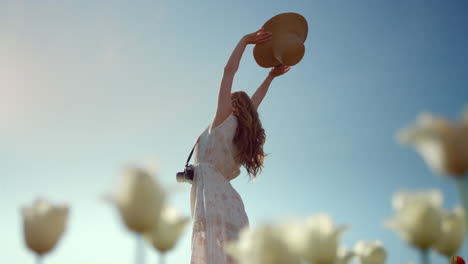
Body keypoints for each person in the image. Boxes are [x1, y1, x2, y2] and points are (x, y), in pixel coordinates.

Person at [190, 28, 291, 264]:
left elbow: (228, 72)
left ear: (233, 105)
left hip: (211, 193)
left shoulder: (224, 118)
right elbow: (256, 101)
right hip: (229, 200)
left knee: (211, 252)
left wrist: (245, 41)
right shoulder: (241, 132)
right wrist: (270, 77)